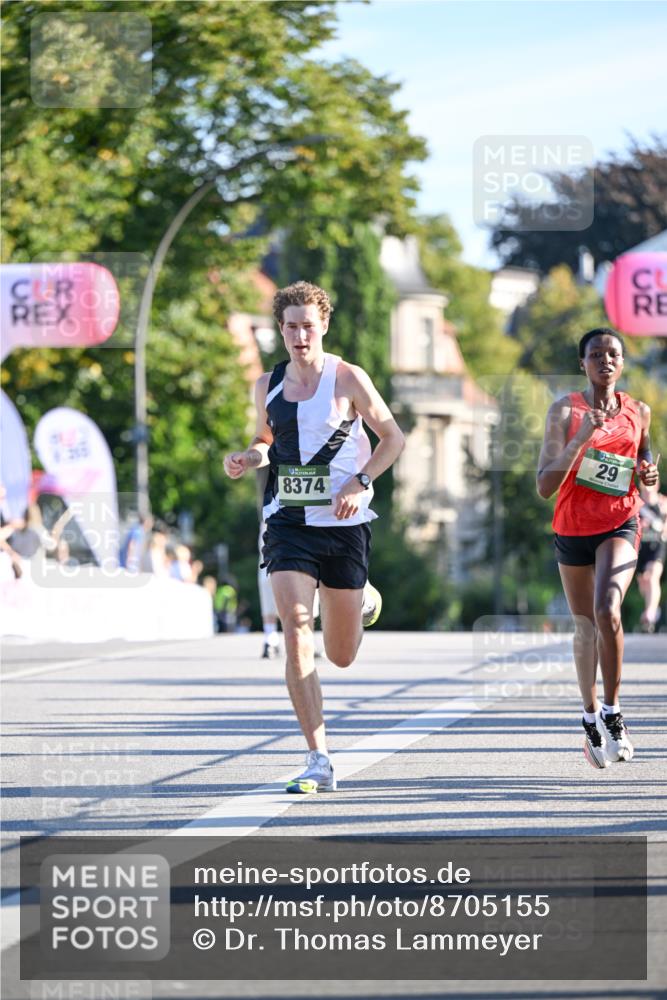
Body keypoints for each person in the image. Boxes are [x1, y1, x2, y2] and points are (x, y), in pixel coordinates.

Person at [224, 280, 404, 793]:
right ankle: (318, 758)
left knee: (342, 654)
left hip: (345, 525)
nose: (300, 335)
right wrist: (247, 458)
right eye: (290, 326)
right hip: (287, 522)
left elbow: (393, 438)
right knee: (297, 634)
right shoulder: (267, 385)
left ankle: (360, 596)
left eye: (308, 325)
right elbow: (266, 439)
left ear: (323, 325)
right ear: (280, 331)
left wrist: (361, 480)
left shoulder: (348, 378)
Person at [536, 327, 659, 769]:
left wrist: (649, 478)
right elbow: (545, 485)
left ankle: (613, 711)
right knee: (585, 626)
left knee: (609, 608)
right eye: (595, 354)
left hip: (620, 523)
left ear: (622, 363)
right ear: (582, 363)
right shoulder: (564, 410)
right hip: (572, 528)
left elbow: (646, 462)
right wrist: (581, 438)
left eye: (613, 354)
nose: (605, 360)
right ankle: (589, 719)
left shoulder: (639, 412)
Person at [636, 483, 667, 632]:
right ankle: (652, 606)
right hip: (640, 548)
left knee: (653, 577)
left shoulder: (663, 502)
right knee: (643, 582)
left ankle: (650, 612)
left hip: (657, 546)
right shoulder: (637, 503)